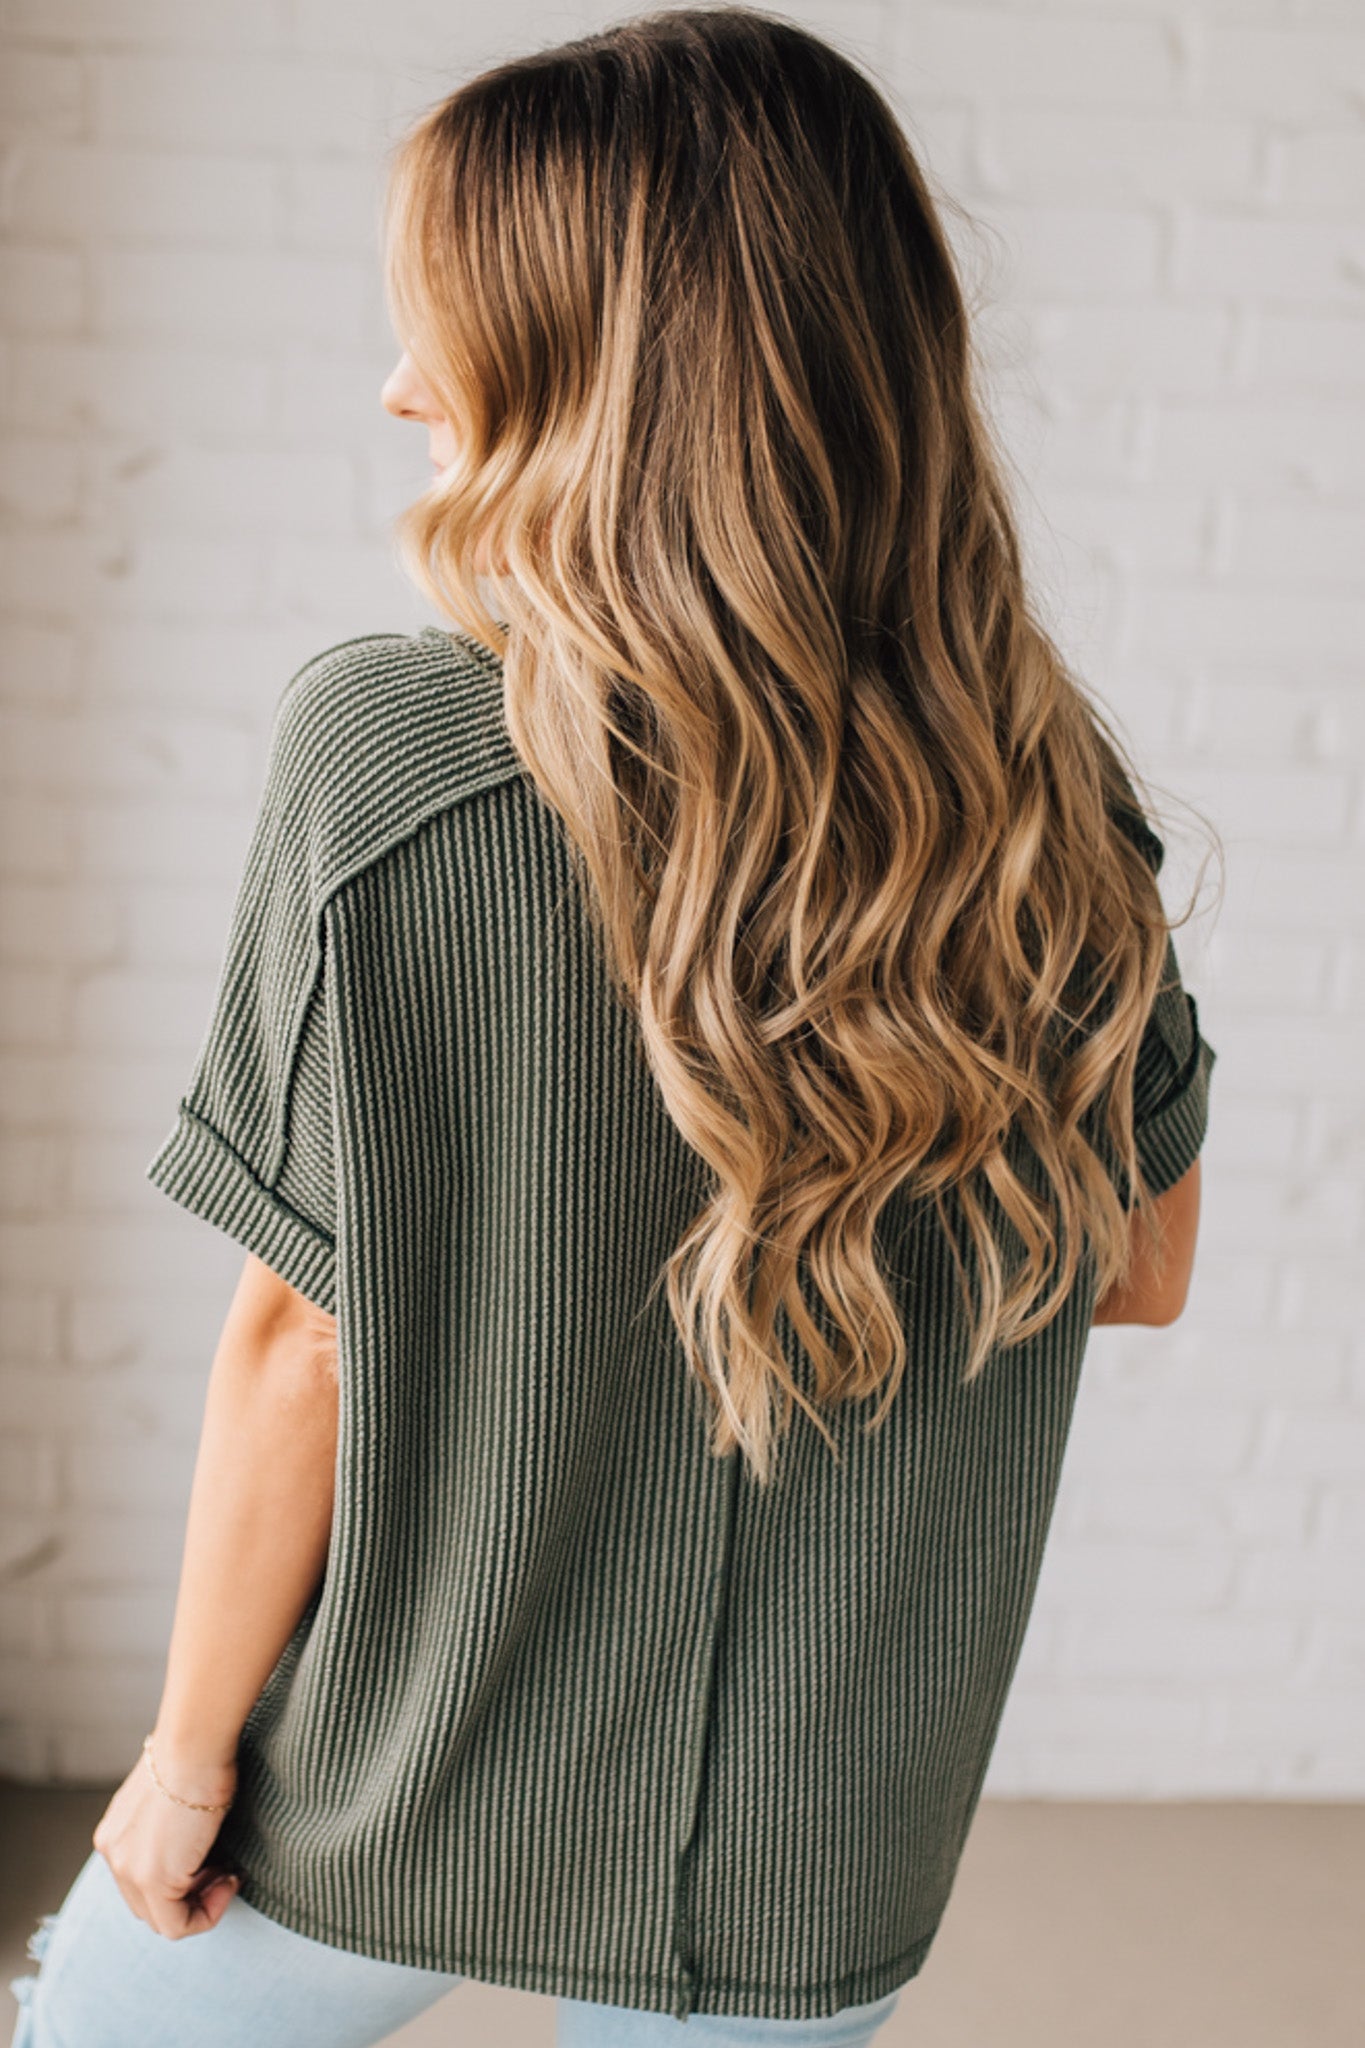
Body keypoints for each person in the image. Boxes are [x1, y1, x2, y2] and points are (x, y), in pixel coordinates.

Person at [9, 8, 1218, 2046]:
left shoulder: (394, 763)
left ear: (598, 374)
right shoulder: (1035, 803)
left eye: (447, 327)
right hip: (807, 1831)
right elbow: (1133, 1267)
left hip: (392, 1759)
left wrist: (187, 1757)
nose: (399, 380)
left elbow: (303, 1335)